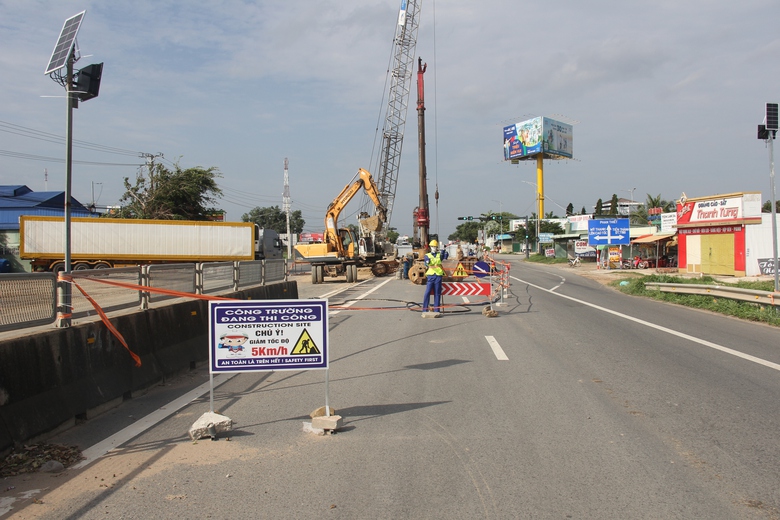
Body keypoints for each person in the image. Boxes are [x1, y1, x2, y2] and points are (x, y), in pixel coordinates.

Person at [422, 239, 447, 314]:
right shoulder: (427, 255)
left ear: (437, 247)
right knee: (427, 292)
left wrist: (443, 250)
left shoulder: (439, 254)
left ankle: (437, 310)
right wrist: (427, 262)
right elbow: (426, 263)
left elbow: (445, 256)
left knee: (437, 293)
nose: (433, 248)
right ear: (430, 247)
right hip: (430, 275)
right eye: (432, 246)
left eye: (435, 246)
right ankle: (425, 309)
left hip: (438, 275)